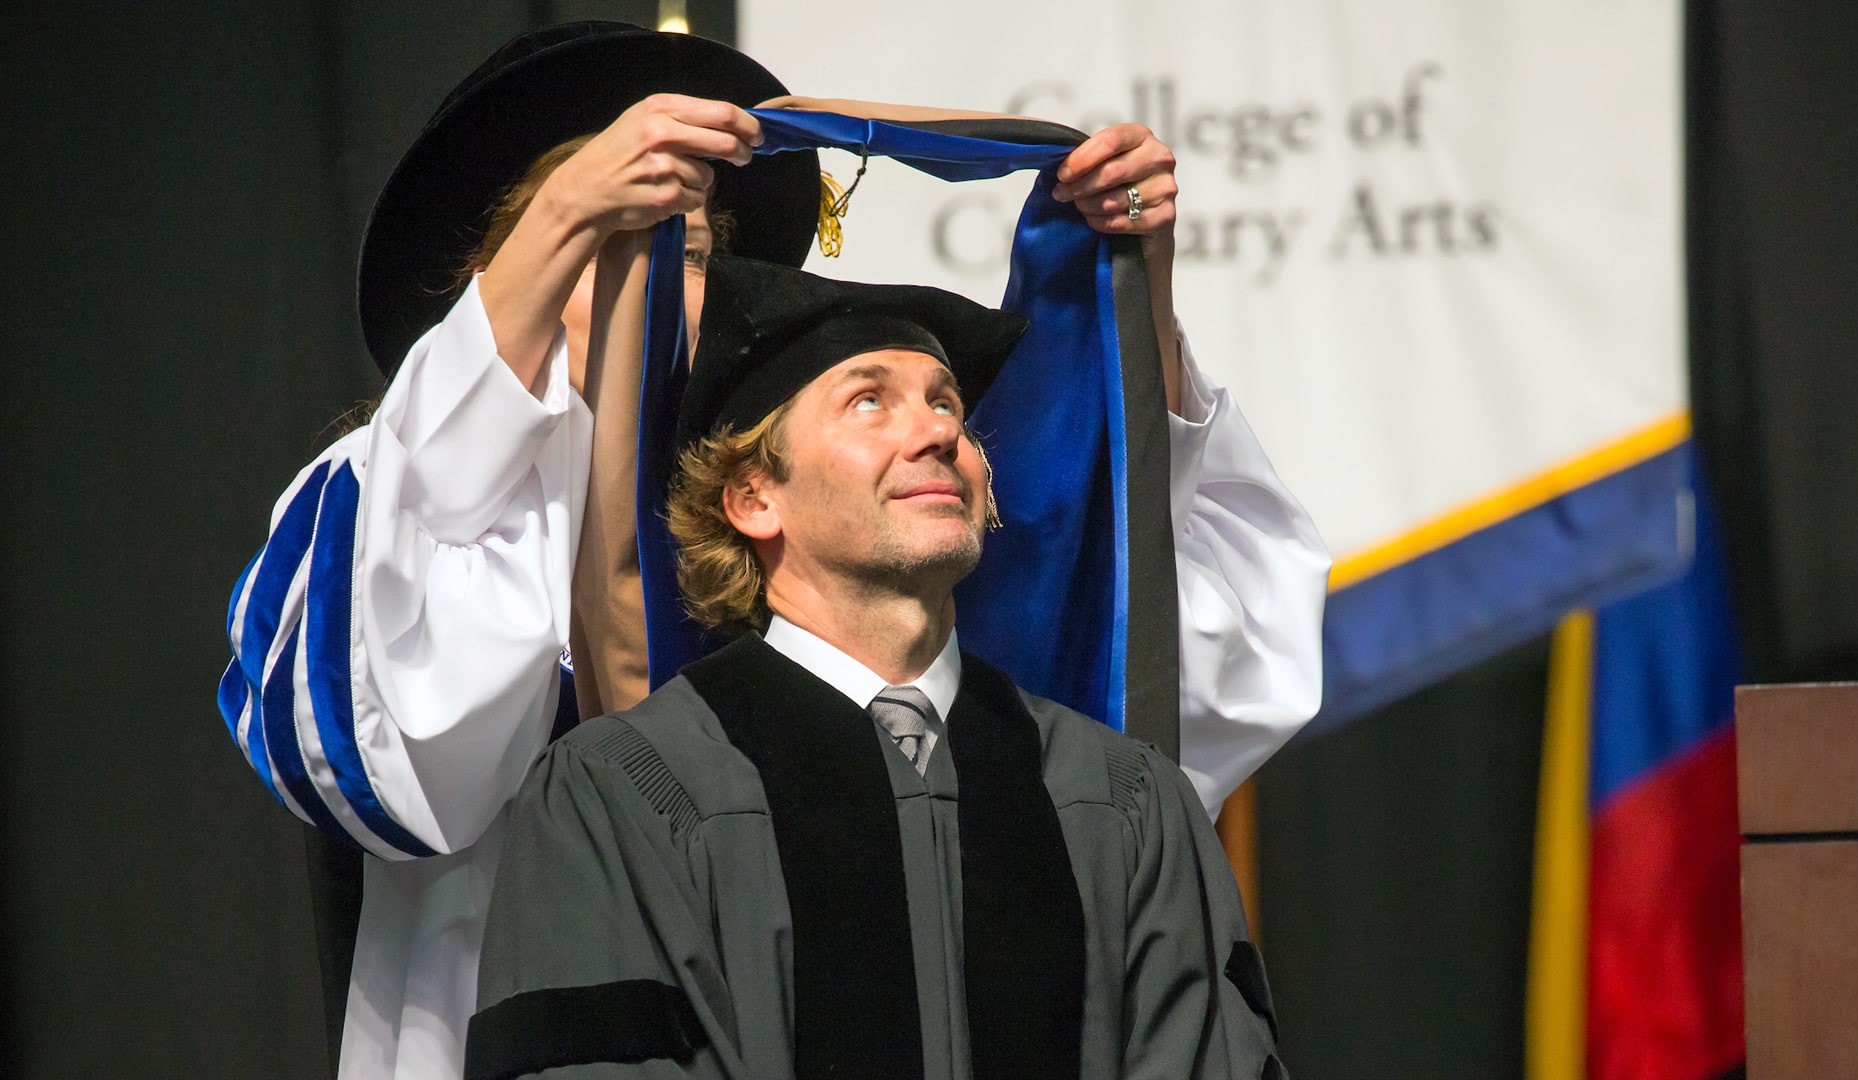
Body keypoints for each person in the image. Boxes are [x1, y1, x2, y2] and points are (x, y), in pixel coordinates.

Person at [219, 20, 1325, 1080]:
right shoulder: (382, 503)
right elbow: (402, 768)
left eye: (687, 254)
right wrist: (565, 205)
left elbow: (1164, 678)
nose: (647, 284)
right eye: (603, 243)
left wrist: (1134, 294)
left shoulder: (811, 519)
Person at [469, 254, 1289, 1080]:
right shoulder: (622, 795)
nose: (939, 433)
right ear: (754, 497)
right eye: (870, 401)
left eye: (948, 407)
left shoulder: (1122, 799)